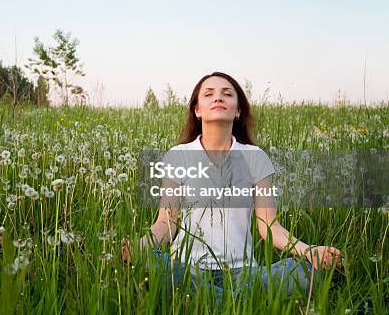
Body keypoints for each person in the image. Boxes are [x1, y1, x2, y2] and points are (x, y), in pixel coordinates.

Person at [122, 71, 342, 302]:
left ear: (238, 111)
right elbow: (166, 224)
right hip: (186, 268)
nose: (218, 98)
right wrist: (139, 248)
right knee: (149, 262)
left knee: (307, 269)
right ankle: (238, 302)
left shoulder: (255, 157)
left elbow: (270, 227)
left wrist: (308, 250)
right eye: (209, 94)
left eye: (227, 94)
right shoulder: (178, 156)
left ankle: (207, 300)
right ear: (197, 110)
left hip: (243, 273)